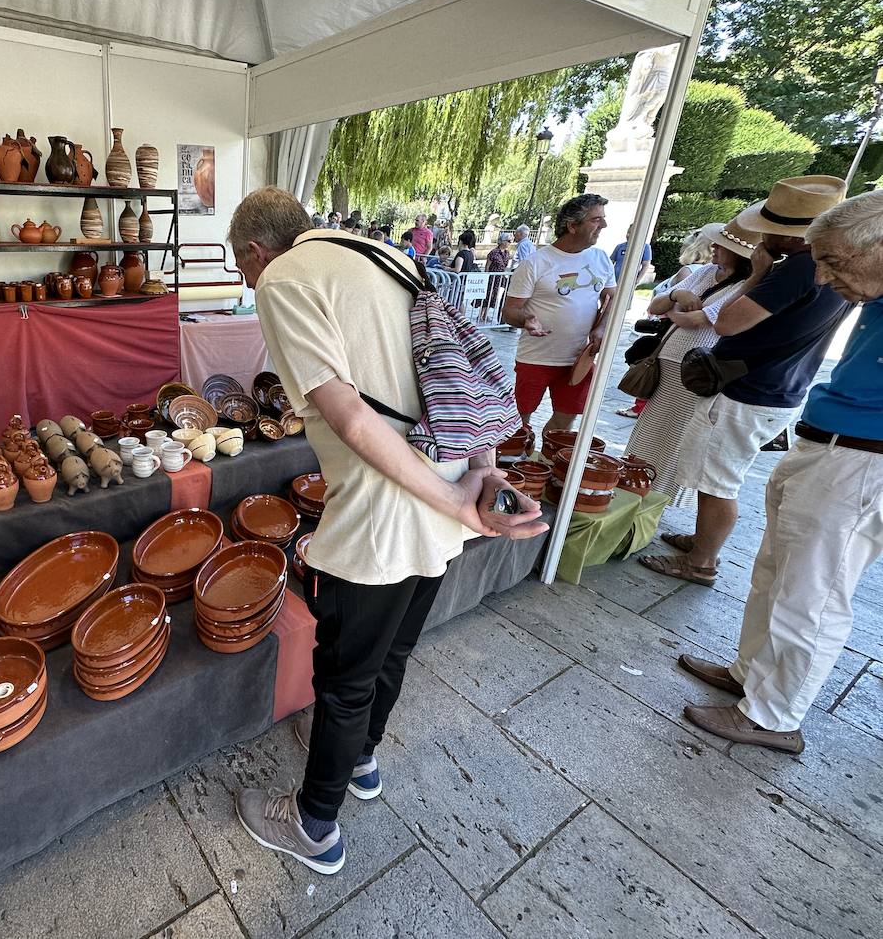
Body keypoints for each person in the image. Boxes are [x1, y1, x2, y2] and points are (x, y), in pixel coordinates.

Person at [225, 188, 546, 874]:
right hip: (449, 477)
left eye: (240, 268)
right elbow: (462, 376)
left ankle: (314, 825)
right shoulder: (383, 252)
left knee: (344, 678)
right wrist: (478, 478)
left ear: (256, 251)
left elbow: (354, 422)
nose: (247, 282)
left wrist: (457, 503)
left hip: (389, 506)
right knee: (391, 651)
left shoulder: (283, 279)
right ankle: (362, 759)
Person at [676, 189, 883, 753]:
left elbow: (740, 322)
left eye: (834, 262)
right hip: (830, 442)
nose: (819, 277)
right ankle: (751, 677)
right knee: (775, 571)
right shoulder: (864, 283)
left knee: (812, 594)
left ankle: (774, 714)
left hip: (863, 458)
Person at [641, 175, 849, 587]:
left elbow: (729, 323)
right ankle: (703, 543)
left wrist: (757, 276)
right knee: (717, 475)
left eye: (771, 228)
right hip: (775, 389)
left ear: (790, 235)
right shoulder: (829, 266)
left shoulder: (797, 270)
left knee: (717, 480)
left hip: (748, 391)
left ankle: (702, 561)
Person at [624, 221, 758, 509]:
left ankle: (659, 498)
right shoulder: (706, 273)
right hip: (667, 362)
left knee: (678, 436)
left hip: (697, 370)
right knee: (651, 427)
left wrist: (673, 309)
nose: (714, 249)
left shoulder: (744, 285)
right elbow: (656, 306)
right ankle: (632, 480)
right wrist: (675, 297)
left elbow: (695, 320)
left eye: (722, 246)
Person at [502, 194, 615, 437]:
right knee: (519, 420)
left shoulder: (601, 258)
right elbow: (510, 310)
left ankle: (546, 465)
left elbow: (612, 298)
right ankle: (518, 466)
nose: (603, 226)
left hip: (578, 359)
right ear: (572, 226)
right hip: (536, 357)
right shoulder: (535, 263)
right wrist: (526, 320)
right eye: (596, 220)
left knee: (564, 423)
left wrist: (602, 326)